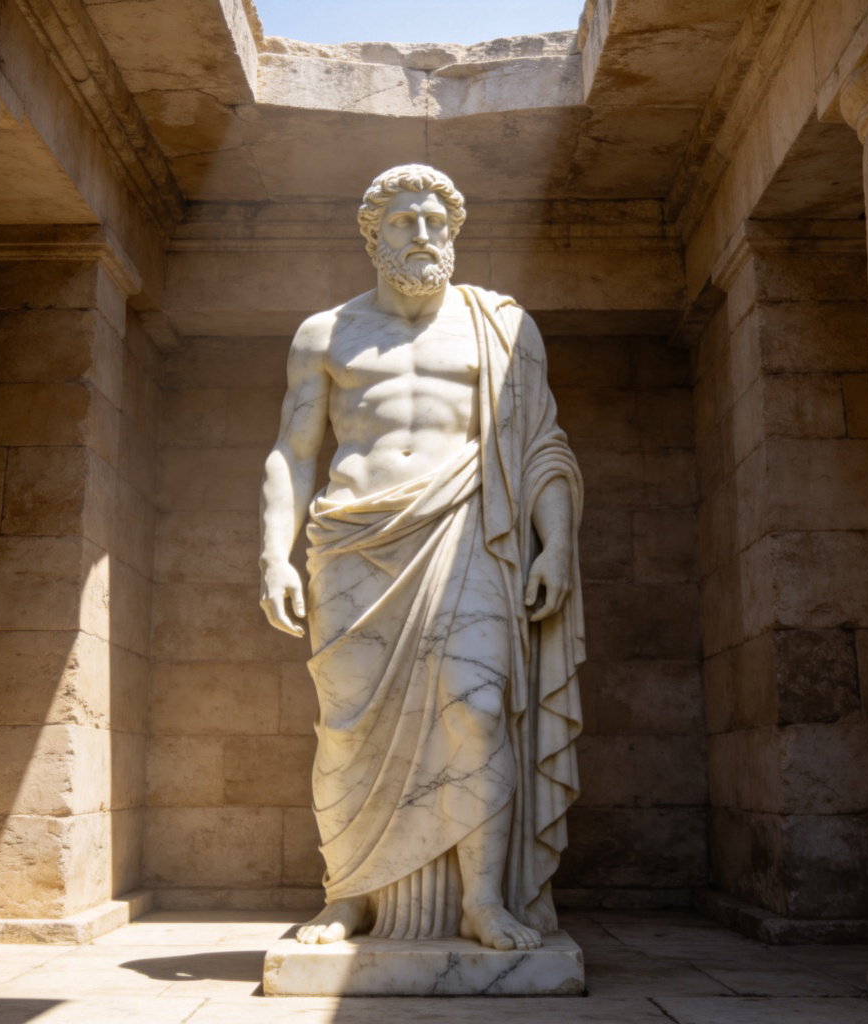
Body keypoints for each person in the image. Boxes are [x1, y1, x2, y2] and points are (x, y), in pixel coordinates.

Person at [259, 164, 584, 953]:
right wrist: (274, 555)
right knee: (345, 728)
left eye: (437, 221)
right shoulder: (324, 333)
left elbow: (540, 444)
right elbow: (293, 453)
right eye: (405, 221)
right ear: (373, 234)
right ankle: (348, 896)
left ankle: (483, 901)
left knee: (477, 712)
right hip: (353, 543)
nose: (424, 234)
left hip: (468, 534)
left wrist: (557, 543)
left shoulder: (502, 327)